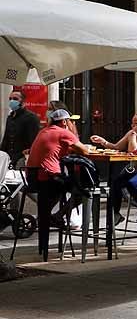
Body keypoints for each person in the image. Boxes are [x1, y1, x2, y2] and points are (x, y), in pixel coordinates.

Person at [25, 109, 89, 260]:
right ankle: (56, 216)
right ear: (64, 122)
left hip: (33, 177)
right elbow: (85, 151)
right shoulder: (63, 132)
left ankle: (50, 219)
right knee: (82, 191)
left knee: (63, 186)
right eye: (69, 121)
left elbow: (56, 149)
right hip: (49, 177)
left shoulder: (44, 131)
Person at [1, 90, 40, 165]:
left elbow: (34, 140)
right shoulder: (10, 117)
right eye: (10, 99)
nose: (12, 101)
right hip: (8, 158)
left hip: (22, 158)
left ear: (23, 101)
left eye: (15, 99)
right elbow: (6, 139)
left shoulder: (31, 117)